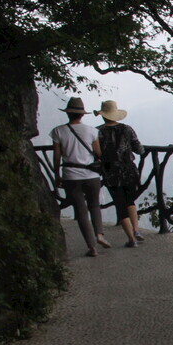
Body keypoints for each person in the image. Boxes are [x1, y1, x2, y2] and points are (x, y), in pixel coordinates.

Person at [51, 97, 110, 257]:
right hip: (92, 175)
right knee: (95, 205)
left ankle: (92, 247)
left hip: (71, 176)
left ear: (68, 113)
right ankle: (100, 235)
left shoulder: (58, 131)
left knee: (81, 211)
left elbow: (57, 156)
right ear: (82, 114)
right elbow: (98, 153)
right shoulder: (92, 131)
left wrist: (57, 175)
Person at [95, 100, 145, 248]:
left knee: (120, 204)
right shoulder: (127, 129)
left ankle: (132, 239)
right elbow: (139, 149)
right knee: (130, 200)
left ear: (103, 115)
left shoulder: (97, 132)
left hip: (110, 172)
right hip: (129, 170)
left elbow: (96, 153)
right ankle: (136, 230)